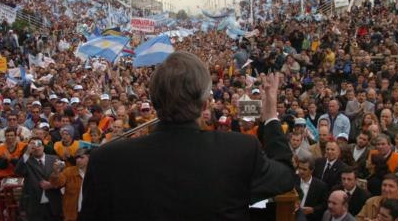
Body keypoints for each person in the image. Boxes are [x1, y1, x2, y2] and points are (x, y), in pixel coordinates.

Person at [80, 51, 295, 220]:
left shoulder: (106, 159)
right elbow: (285, 175)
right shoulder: (240, 151)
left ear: (154, 102)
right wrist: (271, 117)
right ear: (204, 104)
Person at [15, 137, 63, 221]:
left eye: (39, 145)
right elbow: (18, 171)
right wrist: (27, 153)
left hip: (53, 201)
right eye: (33, 145)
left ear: (43, 147)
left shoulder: (54, 158)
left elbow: (62, 178)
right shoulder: (26, 161)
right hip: (34, 203)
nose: (36, 147)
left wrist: (52, 184)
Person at [50, 148, 91, 221]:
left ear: (89, 158)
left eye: (82, 157)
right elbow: (56, 184)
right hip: (71, 214)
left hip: (89, 213)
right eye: (77, 157)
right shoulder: (69, 171)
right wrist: (56, 172)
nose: (78, 160)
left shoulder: (95, 173)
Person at [294, 156, 328, 221]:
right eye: (299, 168)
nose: (301, 171)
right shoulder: (293, 181)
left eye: (304, 169)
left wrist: (313, 210)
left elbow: (324, 204)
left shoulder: (321, 186)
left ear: (311, 170)